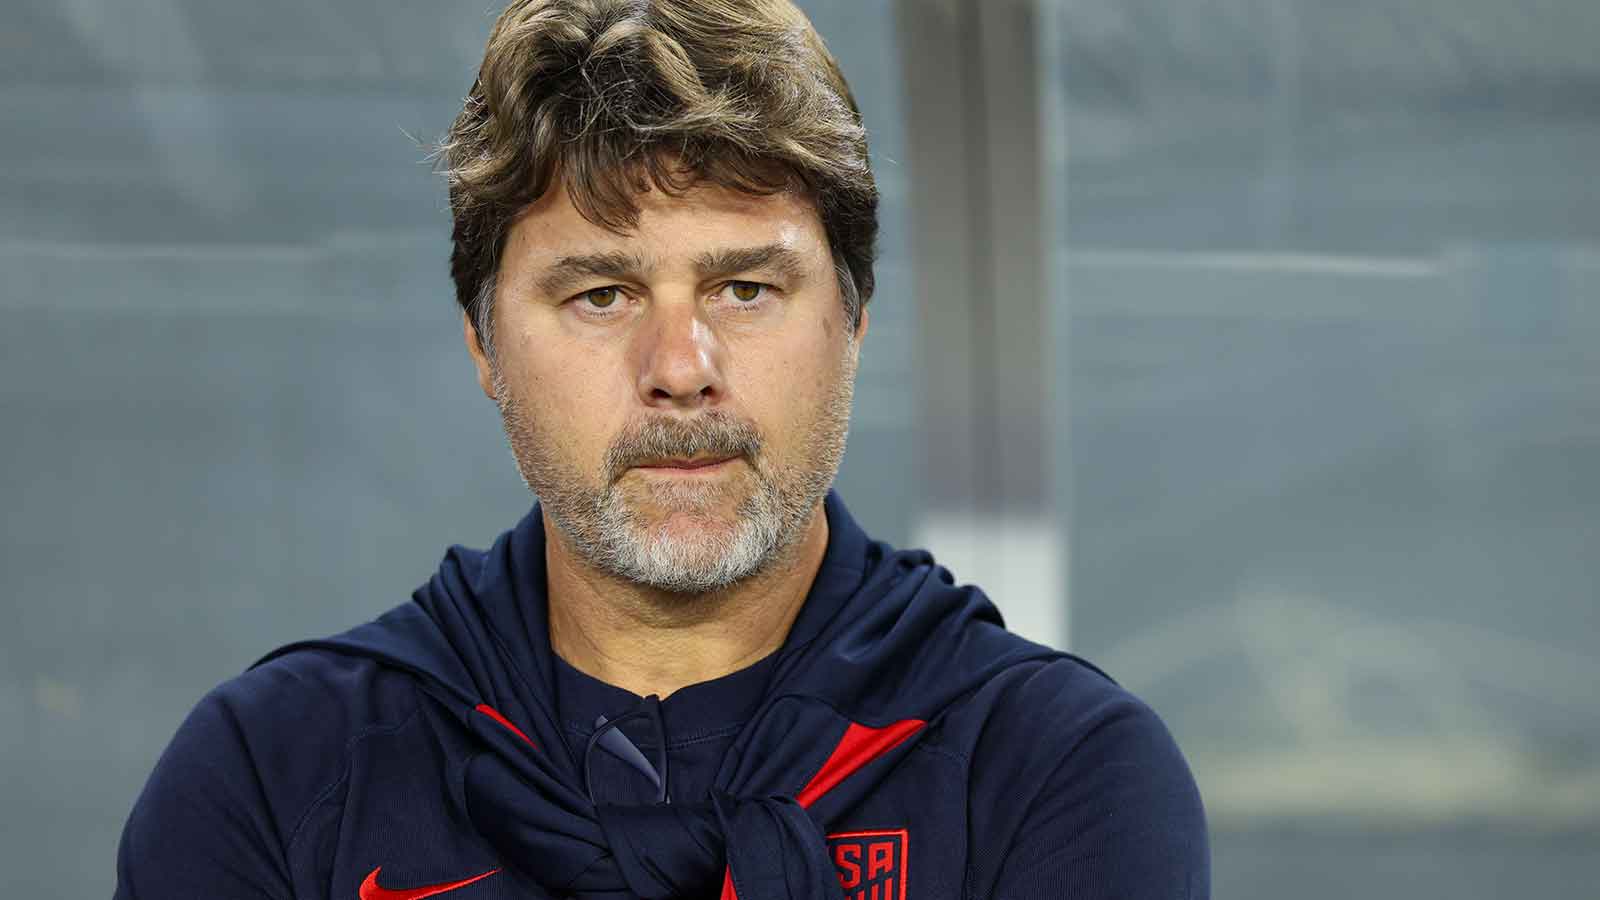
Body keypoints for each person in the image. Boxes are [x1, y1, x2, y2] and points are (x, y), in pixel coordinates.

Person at [114, 1, 1208, 897]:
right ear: (484, 347)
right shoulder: (271, 771)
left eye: (745, 288)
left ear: (854, 321)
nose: (680, 365)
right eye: (600, 294)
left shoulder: (1056, 772)